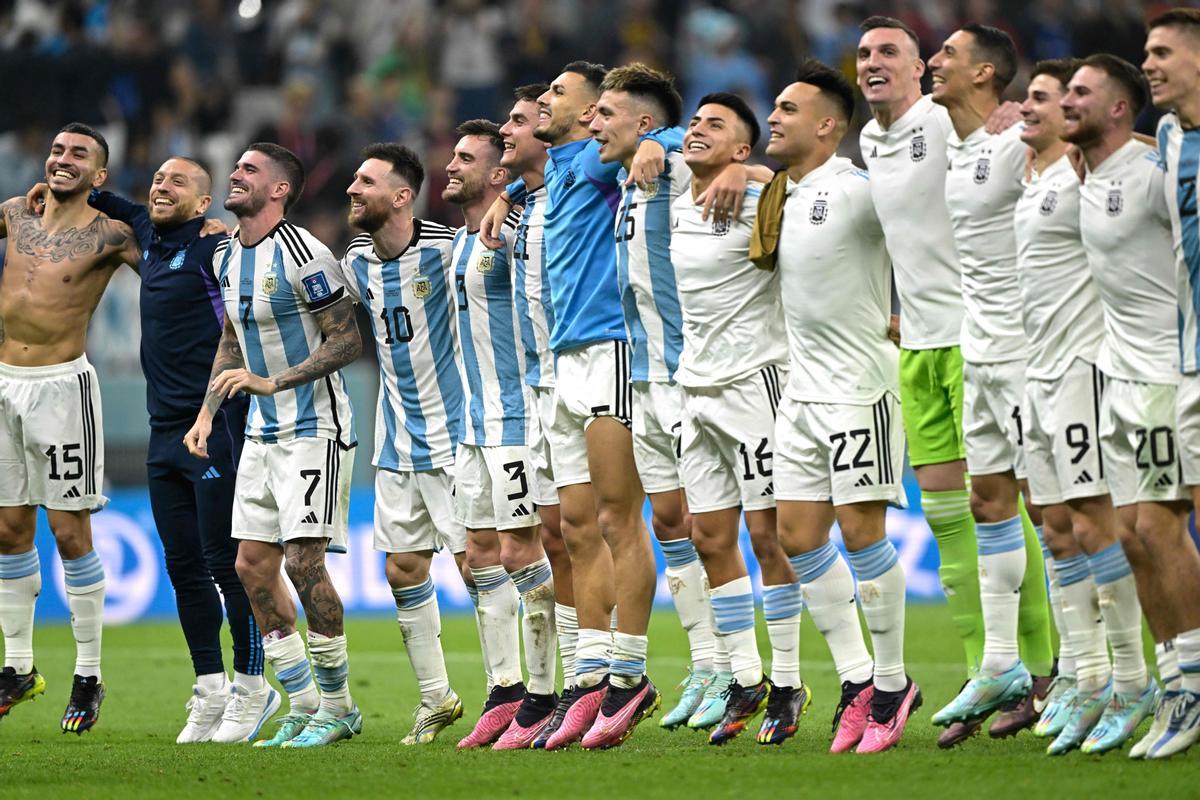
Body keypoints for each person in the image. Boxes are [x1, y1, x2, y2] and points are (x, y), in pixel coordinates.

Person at [762, 60, 920, 754]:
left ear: (828, 125)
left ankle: (892, 684)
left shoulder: (857, 189)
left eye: (788, 109)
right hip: (800, 393)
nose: (773, 116)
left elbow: (924, 236)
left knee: (860, 534)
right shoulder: (775, 196)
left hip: (860, 386)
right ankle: (857, 679)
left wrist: (916, 313)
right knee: (795, 535)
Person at [183, 142, 362, 749]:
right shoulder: (229, 256)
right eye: (236, 168)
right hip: (260, 431)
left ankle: (339, 707)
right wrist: (208, 411)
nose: (235, 174)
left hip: (315, 428)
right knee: (250, 568)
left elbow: (346, 341)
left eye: (249, 171)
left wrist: (273, 382)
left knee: (302, 562)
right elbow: (232, 340)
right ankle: (305, 702)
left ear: (280, 190)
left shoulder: (304, 253)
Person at [855, 17, 990, 747]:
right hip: (919, 343)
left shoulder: (944, 120)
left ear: (916, 70)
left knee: (1000, 505)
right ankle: (984, 670)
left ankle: (1041, 667)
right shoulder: (871, 143)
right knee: (946, 517)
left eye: (889, 53)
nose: (873, 63)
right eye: (864, 55)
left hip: (975, 339)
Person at [1013, 59, 1152, 755]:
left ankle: (1132, 680)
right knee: (1056, 526)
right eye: (1036, 96)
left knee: (1098, 524)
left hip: (1082, 369)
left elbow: (1143, 158)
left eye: (1052, 96)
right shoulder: (1031, 174)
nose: (1035, 107)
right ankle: (1088, 678)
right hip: (1034, 375)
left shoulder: (1085, 169)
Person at [1065, 53, 1195, 760]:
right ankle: (1176, 681)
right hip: (1118, 378)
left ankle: (1194, 684)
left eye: (1082, 94)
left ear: (1121, 108)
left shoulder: (1151, 174)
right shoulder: (1088, 172)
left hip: (1163, 376)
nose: (1066, 104)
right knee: (1133, 533)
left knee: (1157, 528)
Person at [927, 24, 1055, 739]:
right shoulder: (963, 148)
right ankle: (1003, 663)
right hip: (977, 353)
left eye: (947, 54)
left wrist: (1043, 124)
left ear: (985, 74)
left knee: (1059, 515)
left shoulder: (1018, 144)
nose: (933, 62)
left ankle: (1092, 674)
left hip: (1029, 354)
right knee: (989, 502)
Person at [588, 63, 723, 732]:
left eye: (606, 114)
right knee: (669, 522)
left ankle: (748, 673)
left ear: (644, 122)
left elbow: (710, 141)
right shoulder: (624, 178)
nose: (593, 124)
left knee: (715, 526)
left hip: (688, 373)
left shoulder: (669, 162)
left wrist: (666, 141)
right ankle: (708, 666)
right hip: (645, 378)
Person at [669, 92, 804, 746]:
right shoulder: (673, 197)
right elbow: (639, 137)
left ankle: (788, 679)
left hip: (757, 382)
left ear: (743, 148)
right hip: (694, 390)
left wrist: (756, 176)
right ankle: (746, 677)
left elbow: (807, 188)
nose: (697, 130)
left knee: (768, 534)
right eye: (695, 122)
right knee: (708, 538)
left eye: (714, 125)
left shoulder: (759, 199)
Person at [0, 123, 140, 734]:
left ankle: (88, 674)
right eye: (57, 150)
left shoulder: (113, 234)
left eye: (78, 154)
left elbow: (172, 262)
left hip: (63, 389)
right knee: (7, 529)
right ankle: (19, 668)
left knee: (68, 530)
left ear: (99, 176)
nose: (62, 159)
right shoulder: (14, 213)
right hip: (3, 383)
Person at [340, 143, 467, 746]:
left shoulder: (447, 249)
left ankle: (518, 695)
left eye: (366, 181)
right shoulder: (356, 260)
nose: (352, 189)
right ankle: (436, 698)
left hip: (457, 435)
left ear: (401, 195)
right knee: (402, 567)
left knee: (482, 565)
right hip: (395, 440)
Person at [442, 120, 559, 751]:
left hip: (518, 418)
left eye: (466, 159)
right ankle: (505, 690)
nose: (451, 165)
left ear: (498, 175)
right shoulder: (459, 242)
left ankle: (546, 692)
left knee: (521, 553)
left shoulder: (513, 234)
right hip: (471, 426)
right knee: (477, 556)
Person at [498, 83, 580, 729]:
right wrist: (507, 192)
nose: (508, 129)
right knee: (555, 537)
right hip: (536, 390)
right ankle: (570, 686)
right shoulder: (526, 202)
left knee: (602, 529)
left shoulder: (582, 187)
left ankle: (598, 676)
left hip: (588, 376)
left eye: (522, 120)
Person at [1144, 6, 1200, 760]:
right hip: (1179, 363)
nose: (1150, 62)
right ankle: (1184, 681)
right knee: (1152, 525)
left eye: (1161, 52)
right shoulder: (1168, 138)